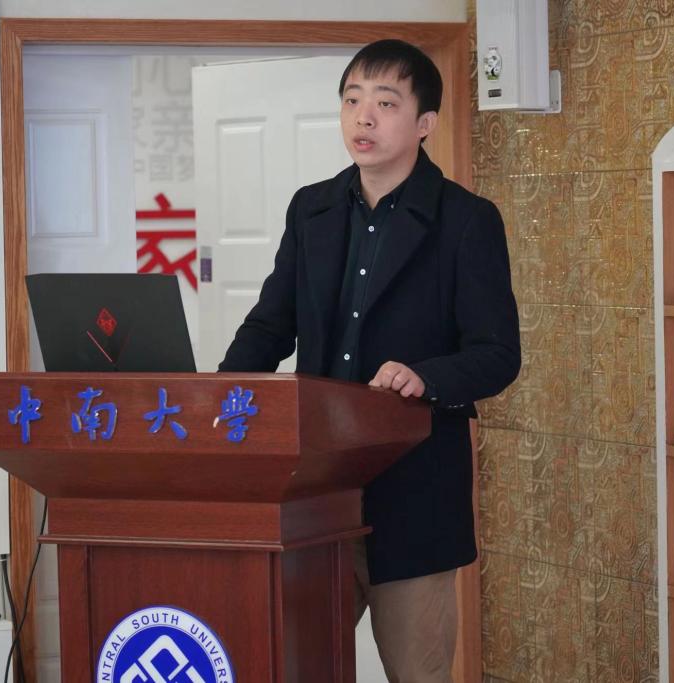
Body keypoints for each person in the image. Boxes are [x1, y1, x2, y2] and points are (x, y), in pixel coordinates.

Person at [217, 39, 521, 681]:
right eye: (352, 100)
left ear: (425, 123)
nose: (364, 117)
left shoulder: (467, 220)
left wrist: (426, 376)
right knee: (290, 665)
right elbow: (271, 324)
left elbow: (497, 355)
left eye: (385, 103)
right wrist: (218, 400)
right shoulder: (312, 209)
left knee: (417, 672)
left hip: (413, 490)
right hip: (316, 488)